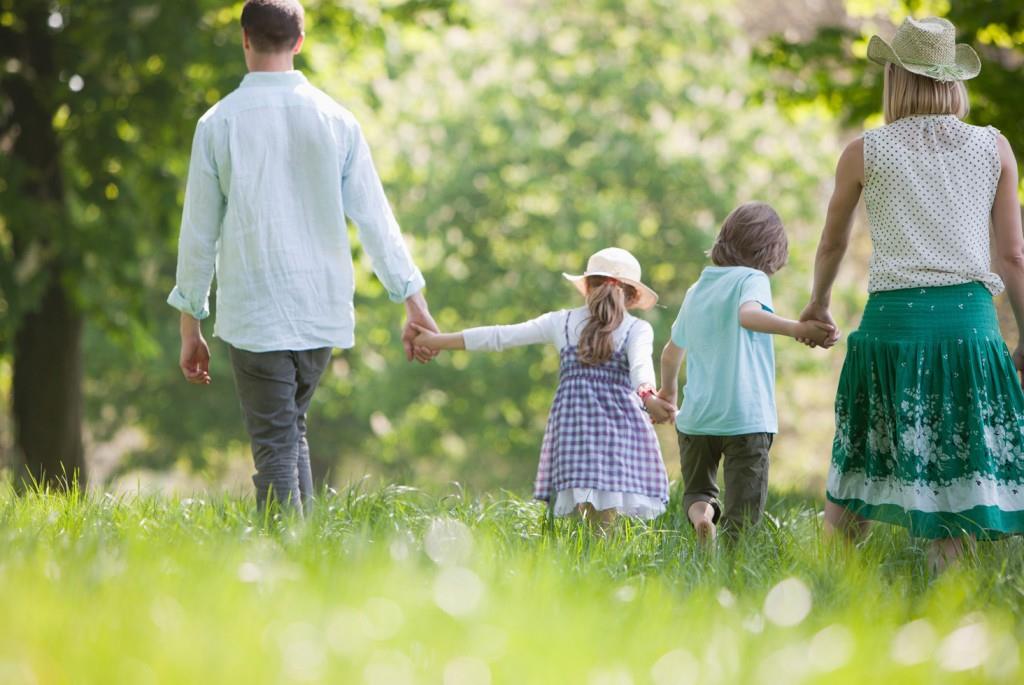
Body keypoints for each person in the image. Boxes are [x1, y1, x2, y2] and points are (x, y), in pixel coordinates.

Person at [167, 0, 437, 514]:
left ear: (244, 39)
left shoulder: (218, 123)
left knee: (274, 446)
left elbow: (198, 233)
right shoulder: (338, 120)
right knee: (290, 433)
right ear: (300, 42)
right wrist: (413, 300)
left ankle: (280, 567)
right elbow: (376, 219)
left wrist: (191, 325)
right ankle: (308, 557)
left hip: (255, 309)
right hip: (319, 308)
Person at [798, 16, 1024, 571]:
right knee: (957, 472)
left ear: (895, 78)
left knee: (862, 463)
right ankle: (946, 599)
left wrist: (818, 304)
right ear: (953, 80)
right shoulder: (994, 148)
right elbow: (1013, 256)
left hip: (890, 329)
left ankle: (828, 592)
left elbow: (832, 242)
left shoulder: (863, 151)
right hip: (968, 327)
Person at [412, 248, 675, 528]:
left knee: (582, 515)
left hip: (573, 429)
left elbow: (500, 336)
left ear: (586, 286)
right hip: (618, 431)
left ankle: (583, 565)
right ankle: (602, 565)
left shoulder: (560, 322)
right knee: (606, 518)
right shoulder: (637, 329)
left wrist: (436, 340)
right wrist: (648, 397)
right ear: (633, 296)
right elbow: (640, 369)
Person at [658, 203, 834, 542]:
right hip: (745, 418)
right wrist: (798, 328)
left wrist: (668, 393)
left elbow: (670, 353)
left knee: (697, 492)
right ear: (771, 249)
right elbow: (748, 315)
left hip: (696, 420)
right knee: (744, 510)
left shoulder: (698, 289)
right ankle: (734, 569)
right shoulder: (751, 278)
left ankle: (702, 519)